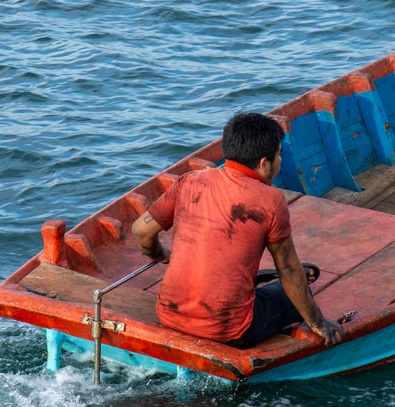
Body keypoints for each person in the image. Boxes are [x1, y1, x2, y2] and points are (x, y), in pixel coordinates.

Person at [131, 112, 345, 348]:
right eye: (278, 156)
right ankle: (263, 286)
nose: (280, 162)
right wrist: (317, 321)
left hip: (169, 316)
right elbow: (287, 269)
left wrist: (160, 255)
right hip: (230, 331)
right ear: (265, 163)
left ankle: (257, 283)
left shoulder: (188, 181)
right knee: (295, 293)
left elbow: (141, 231)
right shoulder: (271, 200)